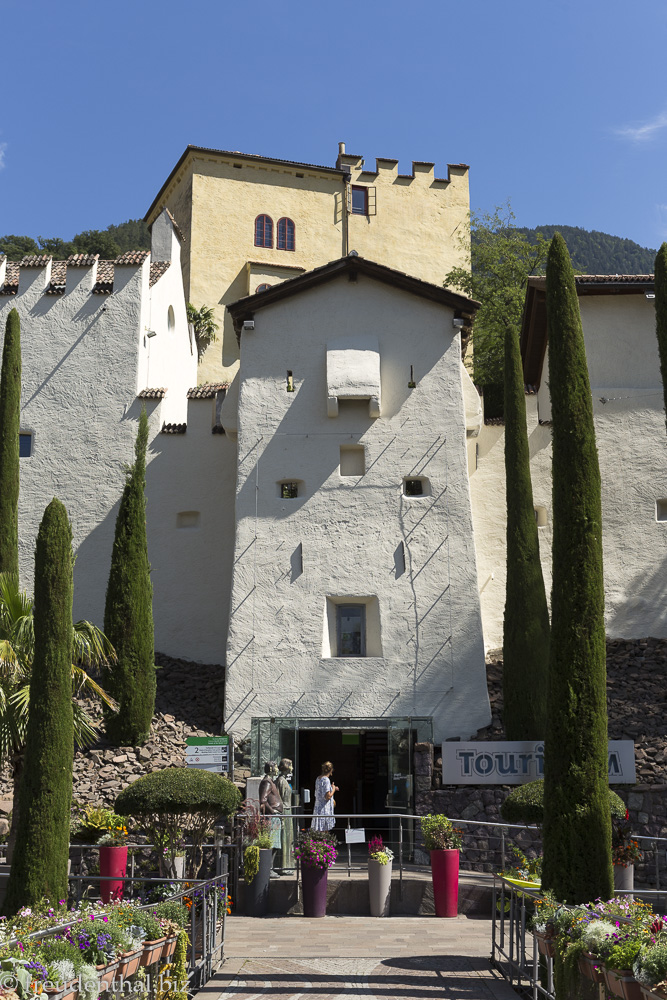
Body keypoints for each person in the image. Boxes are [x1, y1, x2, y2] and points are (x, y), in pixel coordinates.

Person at [311, 761, 338, 832]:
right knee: (324, 831)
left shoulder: (318, 778)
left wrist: (331, 788)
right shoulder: (326, 780)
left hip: (318, 808)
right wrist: (334, 790)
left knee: (319, 831)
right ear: (331, 770)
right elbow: (327, 796)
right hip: (324, 809)